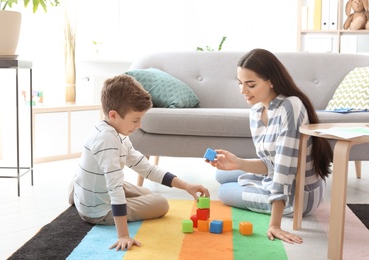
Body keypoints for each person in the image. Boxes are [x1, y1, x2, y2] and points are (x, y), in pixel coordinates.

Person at [70, 74, 210, 251]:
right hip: (99, 212)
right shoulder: (107, 140)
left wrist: (186, 186)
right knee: (160, 203)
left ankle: (78, 194)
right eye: (135, 120)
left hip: (94, 192)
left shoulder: (113, 131)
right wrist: (123, 235)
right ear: (114, 115)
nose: (139, 125)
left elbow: (146, 169)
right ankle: (87, 204)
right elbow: (114, 189)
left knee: (145, 192)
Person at [206, 48, 333, 244]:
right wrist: (238, 162)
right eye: (240, 83)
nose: (243, 91)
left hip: (298, 198)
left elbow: (284, 168)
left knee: (224, 192)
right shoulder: (256, 111)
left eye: (251, 84)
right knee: (221, 174)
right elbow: (271, 163)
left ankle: (273, 201)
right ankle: (255, 183)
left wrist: (275, 224)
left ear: (271, 80)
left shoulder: (290, 106)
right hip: (279, 178)